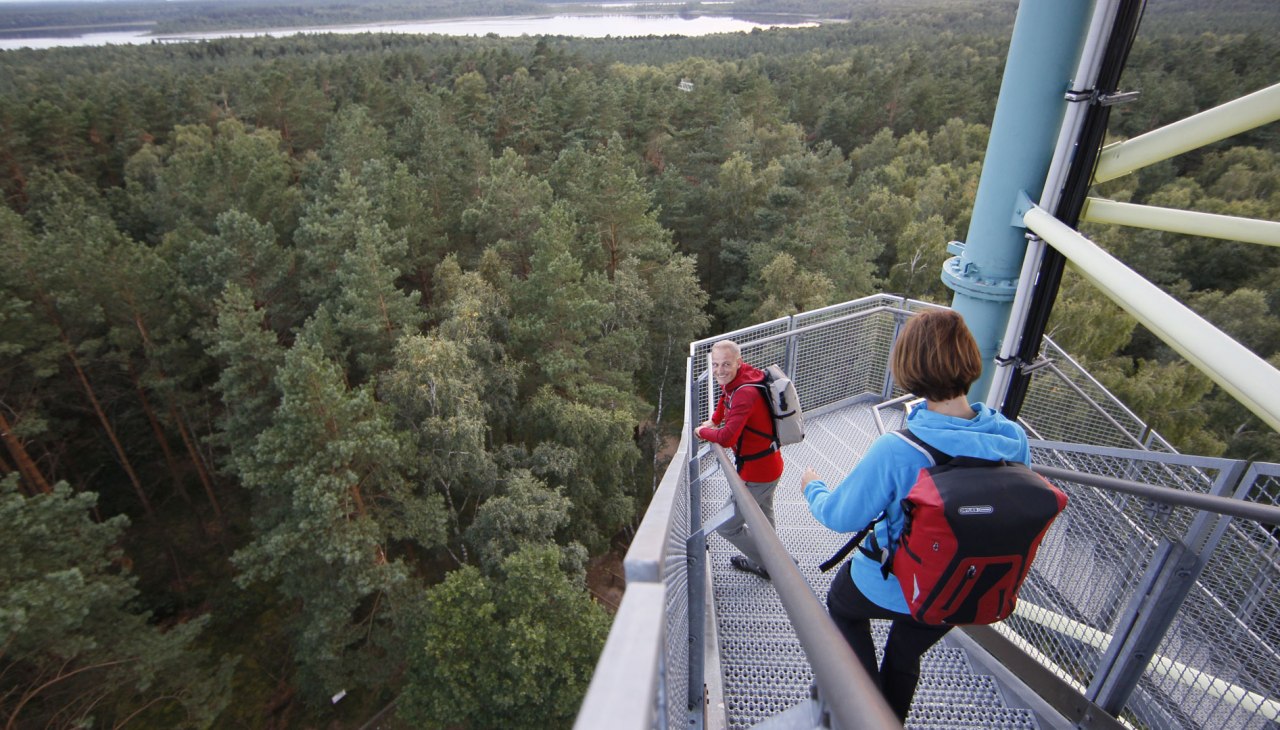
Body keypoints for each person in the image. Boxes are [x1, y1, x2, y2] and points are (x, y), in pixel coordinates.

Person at [799, 308, 1031, 722]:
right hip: (961, 587)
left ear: (909, 367)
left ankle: (863, 713)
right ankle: (889, 717)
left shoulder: (898, 449)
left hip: (891, 583)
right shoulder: (1012, 437)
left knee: (842, 606)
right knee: (905, 652)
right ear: (969, 360)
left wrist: (812, 487)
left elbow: (840, 516)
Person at [697, 339, 786, 580]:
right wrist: (715, 419)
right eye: (715, 365)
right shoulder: (742, 378)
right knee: (764, 521)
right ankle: (776, 558)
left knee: (728, 526)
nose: (719, 371)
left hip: (758, 473)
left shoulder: (745, 393)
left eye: (726, 364)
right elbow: (726, 397)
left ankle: (774, 566)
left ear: (739, 361)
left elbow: (727, 438)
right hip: (768, 464)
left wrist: (702, 431)